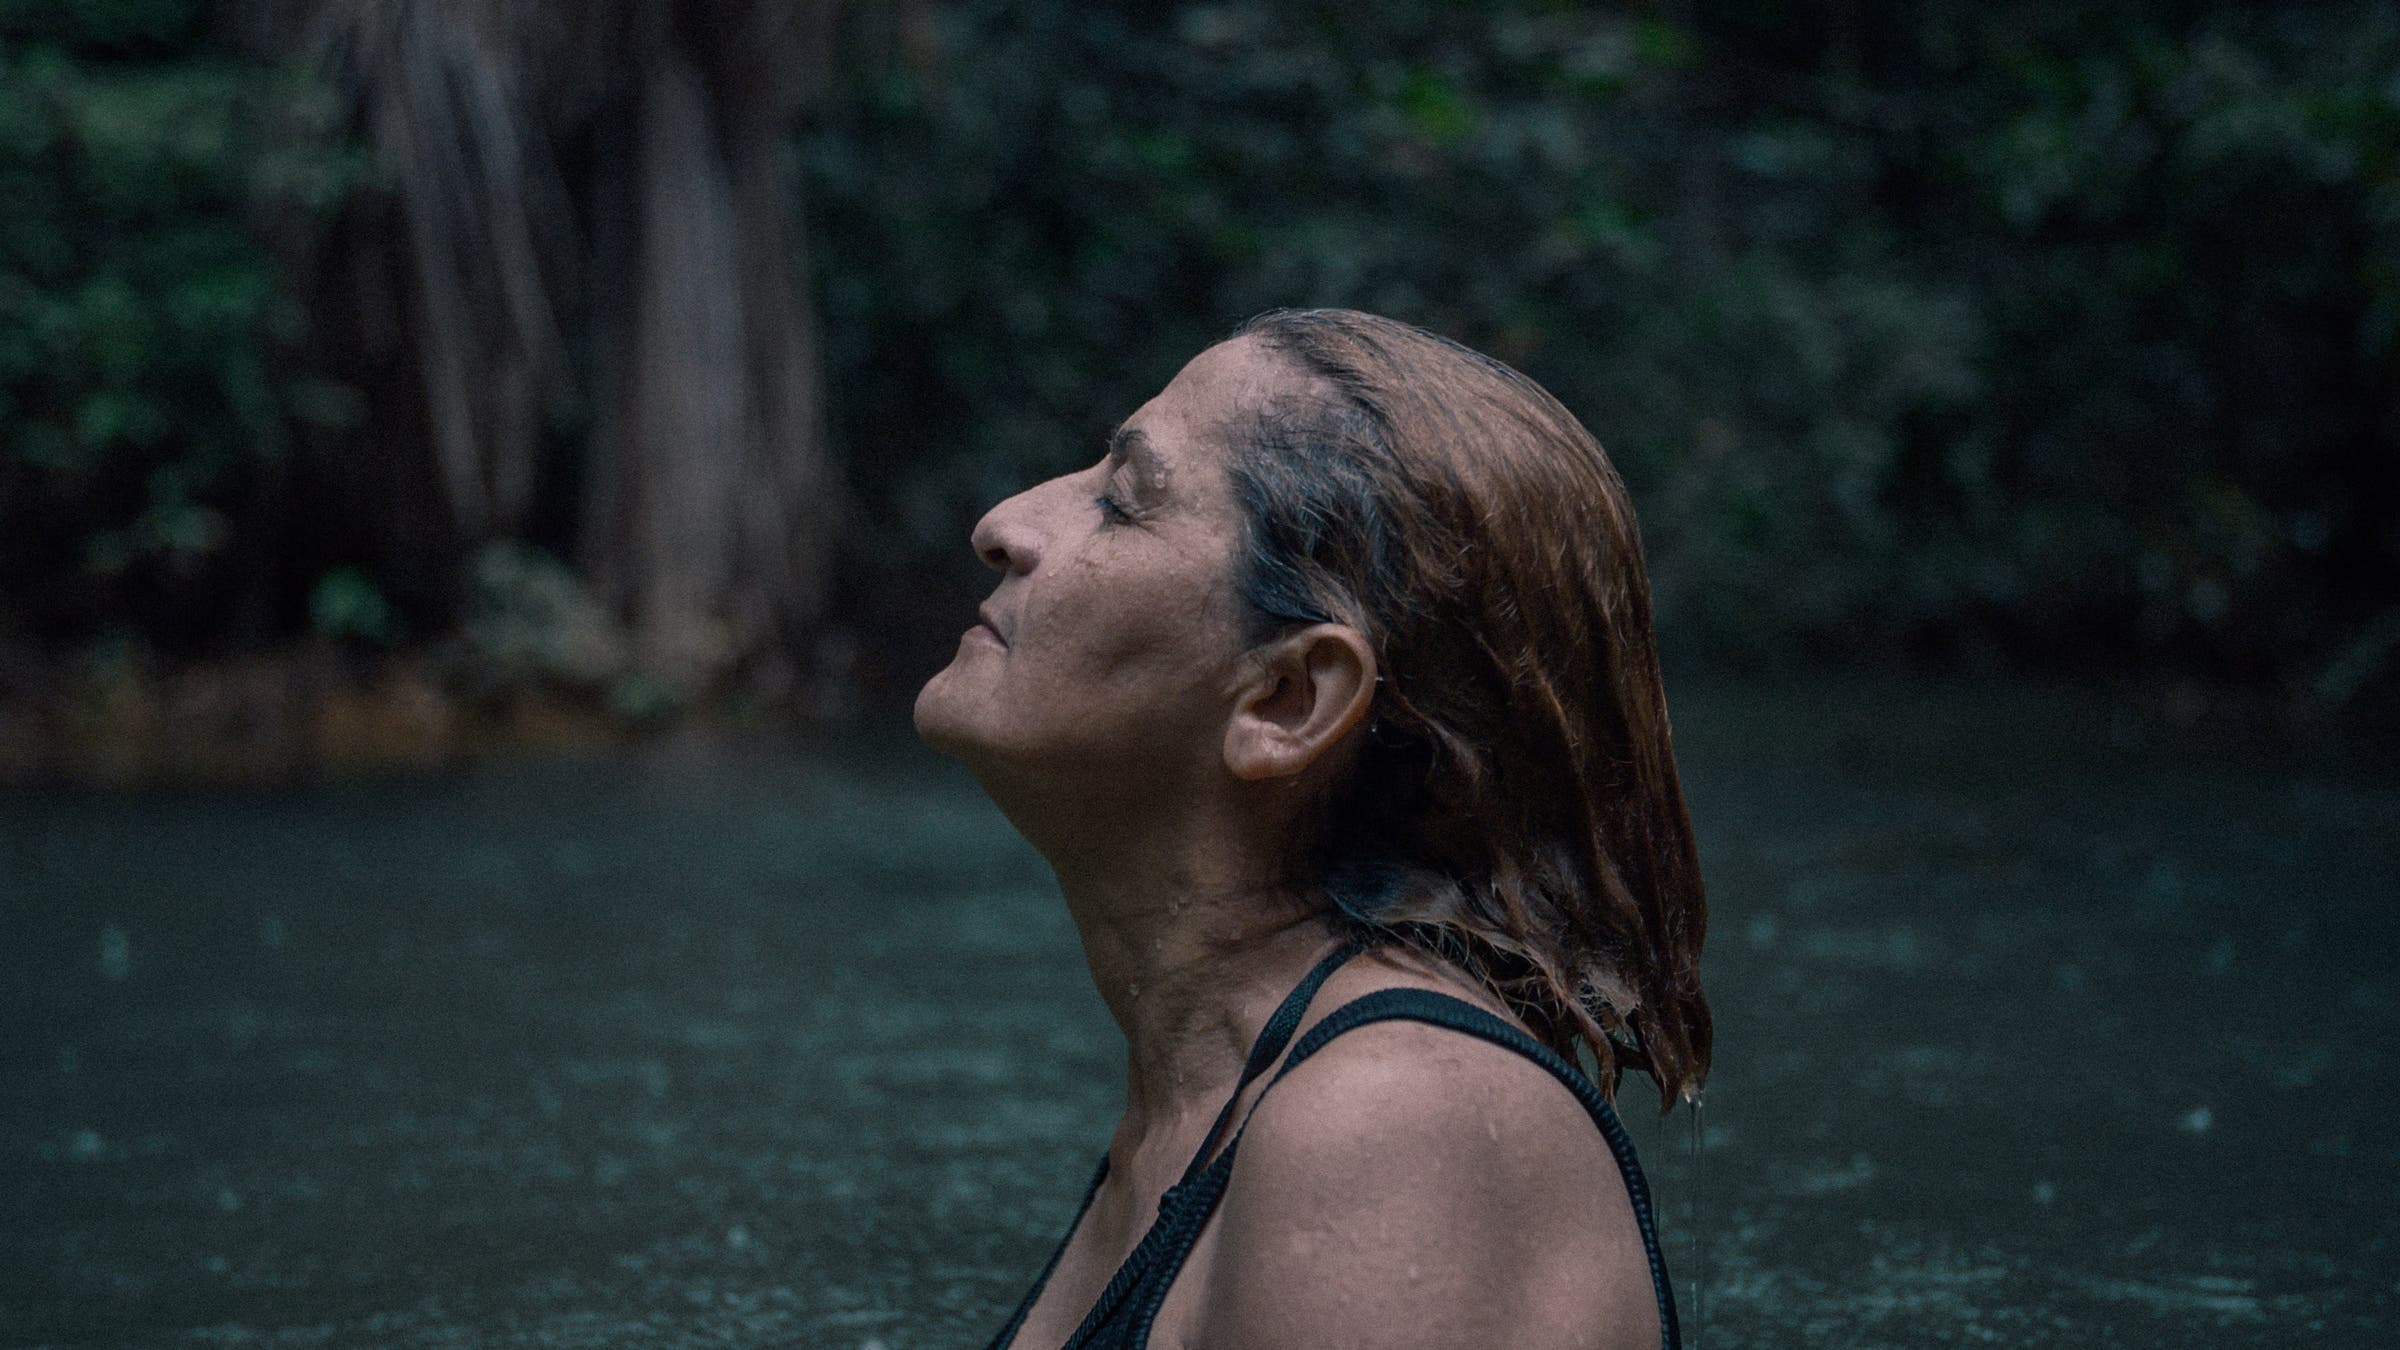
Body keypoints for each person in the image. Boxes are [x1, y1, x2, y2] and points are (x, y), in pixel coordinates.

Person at [915, 308, 1710, 1350]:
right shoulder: (1207, 1107)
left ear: (1287, 701)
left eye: (1124, 498)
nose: (1007, 522)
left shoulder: (1392, 1123)